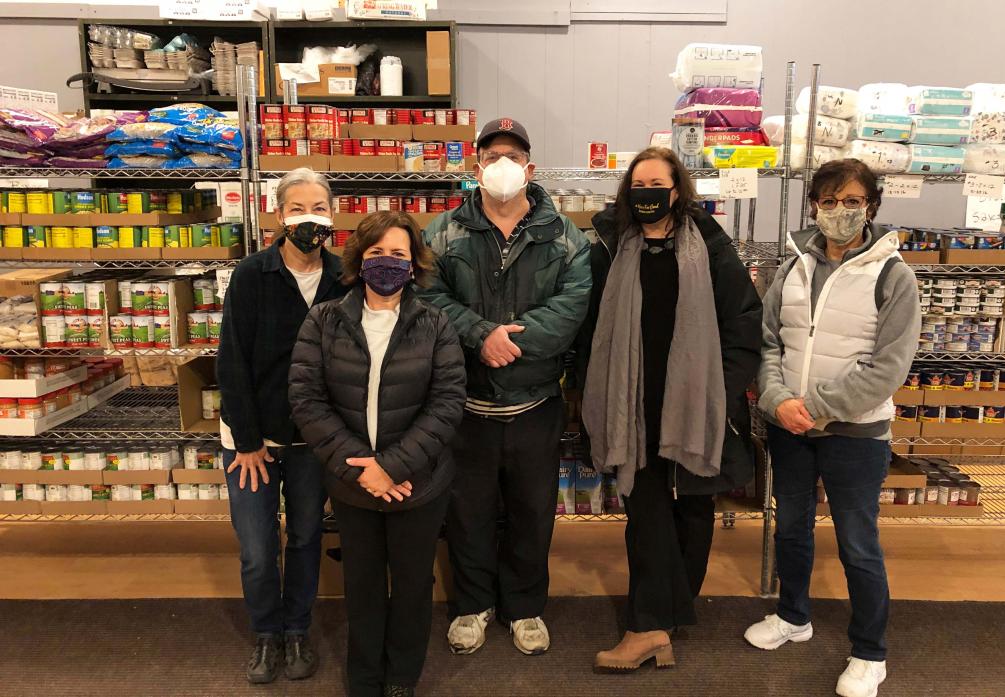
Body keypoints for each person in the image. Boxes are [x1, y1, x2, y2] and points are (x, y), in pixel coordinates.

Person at [577, 146, 763, 672]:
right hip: (631, 409)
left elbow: (743, 322)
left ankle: (663, 621)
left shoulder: (710, 245)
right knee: (646, 514)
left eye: (658, 184)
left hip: (697, 407)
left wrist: (718, 393)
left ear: (677, 189)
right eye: (638, 186)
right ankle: (648, 626)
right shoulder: (611, 248)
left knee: (694, 512)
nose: (648, 194)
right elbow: (590, 327)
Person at [744, 159, 920, 697]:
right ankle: (793, 617)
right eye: (828, 200)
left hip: (855, 433)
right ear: (813, 205)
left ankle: (870, 652)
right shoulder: (791, 267)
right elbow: (769, 341)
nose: (839, 211)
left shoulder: (893, 275)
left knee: (857, 543)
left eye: (851, 201)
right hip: (790, 427)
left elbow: (888, 367)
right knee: (791, 529)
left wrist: (815, 406)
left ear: (871, 206)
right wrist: (776, 399)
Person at [420, 118, 592, 656]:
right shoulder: (443, 232)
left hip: (534, 402)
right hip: (463, 405)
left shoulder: (566, 236)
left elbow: (571, 306)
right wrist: (480, 336)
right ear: (475, 168)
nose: (502, 164)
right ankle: (473, 605)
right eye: (492, 154)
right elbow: (427, 297)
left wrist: (507, 343)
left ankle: (524, 607)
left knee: (532, 513)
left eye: (513, 155)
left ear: (529, 168)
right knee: (467, 513)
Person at [289, 211, 466, 697]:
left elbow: (448, 404)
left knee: (412, 587)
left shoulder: (436, 323)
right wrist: (362, 470)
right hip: (354, 485)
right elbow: (307, 400)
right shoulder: (323, 320)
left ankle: (402, 679)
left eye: (398, 255)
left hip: (419, 483)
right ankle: (364, 679)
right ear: (357, 260)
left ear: (414, 266)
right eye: (376, 253)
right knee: (363, 589)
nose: (387, 263)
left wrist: (392, 466)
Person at [216, 167, 347, 684]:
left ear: (332, 216)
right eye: (297, 208)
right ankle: (266, 635)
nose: (308, 218)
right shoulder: (253, 274)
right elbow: (231, 362)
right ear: (279, 215)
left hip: (312, 440)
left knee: (307, 536)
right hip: (253, 439)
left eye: (319, 207)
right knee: (256, 547)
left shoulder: (344, 277)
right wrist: (247, 442)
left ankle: (297, 631)